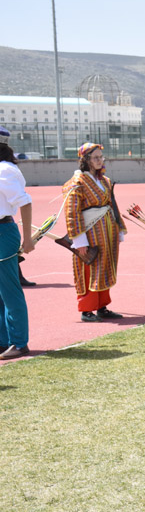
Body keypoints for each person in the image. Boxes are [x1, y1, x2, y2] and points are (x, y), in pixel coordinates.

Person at [63, 143, 126, 323]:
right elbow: (72, 213)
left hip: (107, 231)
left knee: (105, 267)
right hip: (89, 232)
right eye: (96, 157)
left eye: (101, 157)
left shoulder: (104, 180)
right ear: (86, 160)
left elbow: (111, 204)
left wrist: (119, 228)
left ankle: (102, 306)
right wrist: (79, 240)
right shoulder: (76, 183)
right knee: (89, 268)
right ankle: (87, 309)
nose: (100, 160)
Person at [0, 126, 35, 360]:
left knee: (10, 290)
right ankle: (3, 340)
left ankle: (19, 342)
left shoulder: (5, 170)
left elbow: (25, 202)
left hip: (3, 231)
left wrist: (28, 238)